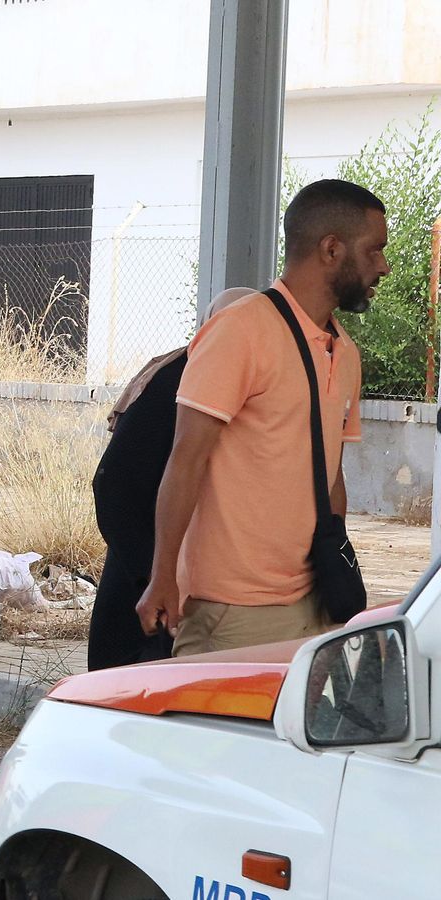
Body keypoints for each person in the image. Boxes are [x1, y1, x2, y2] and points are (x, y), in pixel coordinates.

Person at [136, 179, 389, 656]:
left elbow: (331, 475)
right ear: (331, 249)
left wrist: (336, 569)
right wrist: (162, 576)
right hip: (233, 610)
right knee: (223, 733)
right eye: (374, 250)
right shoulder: (240, 330)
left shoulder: (345, 352)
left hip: (316, 601)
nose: (384, 266)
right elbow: (185, 460)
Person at [86, 286, 253, 671]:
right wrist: (155, 574)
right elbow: (115, 485)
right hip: (145, 574)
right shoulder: (177, 378)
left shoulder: (233, 377)